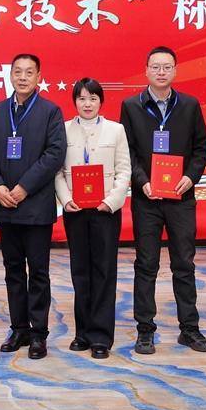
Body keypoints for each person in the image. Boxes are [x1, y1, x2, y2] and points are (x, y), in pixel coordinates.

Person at [119, 46, 206, 354]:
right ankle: (145, 330)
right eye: (156, 67)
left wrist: (191, 176)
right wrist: (142, 181)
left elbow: (201, 147)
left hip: (180, 198)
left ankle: (190, 329)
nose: (161, 72)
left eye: (167, 67)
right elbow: (128, 151)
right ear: (146, 70)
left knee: (184, 264)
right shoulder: (131, 106)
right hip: (146, 198)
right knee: (146, 264)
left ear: (175, 71)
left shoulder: (189, 105)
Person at [0, 54, 66, 360]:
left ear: (38, 76)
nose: (22, 77)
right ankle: (18, 328)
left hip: (36, 204)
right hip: (5, 203)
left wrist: (24, 188)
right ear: (11, 75)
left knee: (38, 271)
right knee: (13, 269)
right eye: (17, 72)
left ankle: (39, 333)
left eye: (29, 72)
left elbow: (54, 154)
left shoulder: (50, 111)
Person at [54, 78, 131, 360]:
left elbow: (124, 170)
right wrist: (66, 199)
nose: (87, 104)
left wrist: (111, 201)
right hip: (75, 209)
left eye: (93, 98)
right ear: (75, 101)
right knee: (80, 271)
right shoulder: (62, 130)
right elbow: (57, 170)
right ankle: (82, 333)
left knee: (104, 271)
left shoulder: (116, 130)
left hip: (105, 210)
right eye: (82, 98)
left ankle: (101, 336)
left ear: (101, 101)